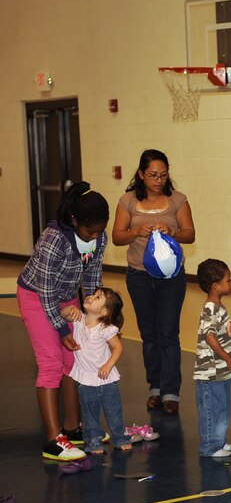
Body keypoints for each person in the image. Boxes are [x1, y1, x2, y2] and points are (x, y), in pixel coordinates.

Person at [17, 181, 109, 461]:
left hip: (67, 297)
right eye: (90, 231)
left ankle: (73, 429)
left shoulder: (98, 238)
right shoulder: (53, 238)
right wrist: (59, 328)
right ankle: (53, 440)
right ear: (74, 221)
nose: (95, 236)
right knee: (51, 364)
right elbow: (45, 290)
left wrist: (98, 315)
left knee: (73, 361)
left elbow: (93, 279)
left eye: (100, 230)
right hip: (36, 297)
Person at [112, 149, 195, 415]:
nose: (158, 180)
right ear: (141, 174)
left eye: (163, 175)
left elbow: (190, 234)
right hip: (139, 275)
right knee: (149, 334)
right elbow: (117, 237)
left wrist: (173, 231)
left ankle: (171, 392)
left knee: (168, 332)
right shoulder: (127, 201)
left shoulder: (177, 200)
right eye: (152, 175)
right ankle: (155, 389)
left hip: (171, 277)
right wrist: (136, 231)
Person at [64, 287, 133, 454]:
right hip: (86, 378)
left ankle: (120, 437)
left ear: (103, 311)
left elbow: (118, 347)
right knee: (89, 413)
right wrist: (69, 309)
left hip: (106, 379)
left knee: (113, 410)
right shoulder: (79, 319)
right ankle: (94, 441)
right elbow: (63, 313)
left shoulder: (105, 328)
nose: (90, 297)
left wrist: (108, 365)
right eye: (93, 294)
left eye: (97, 297)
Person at [194, 258, 231, 458]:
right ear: (216, 286)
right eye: (228, 280)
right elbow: (209, 336)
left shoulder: (218, 307)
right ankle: (210, 446)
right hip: (210, 372)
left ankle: (219, 440)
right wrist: (229, 359)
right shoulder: (210, 309)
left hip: (220, 371)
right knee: (211, 409)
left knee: (222, 406)